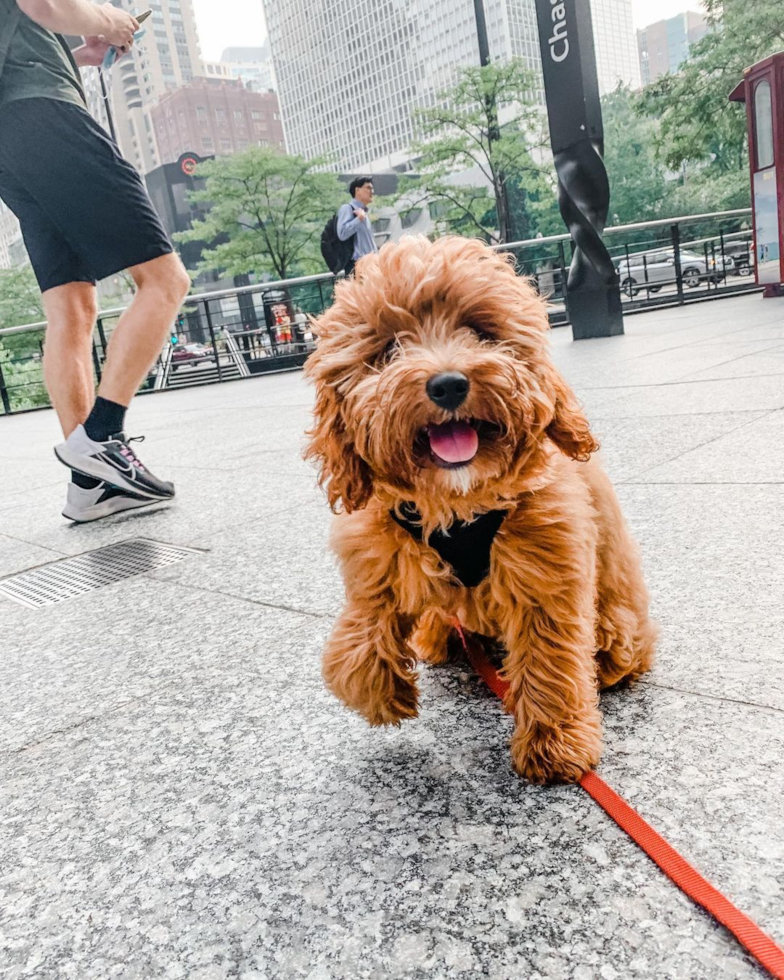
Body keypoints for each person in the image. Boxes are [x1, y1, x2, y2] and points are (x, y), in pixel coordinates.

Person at [0, 0, 191, 523]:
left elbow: (28, 25)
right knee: (165, 279)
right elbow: (44, 3)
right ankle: (103, 434)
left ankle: (91, 484)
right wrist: (110, 19)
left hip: (10, 133)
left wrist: (83, 51)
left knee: (72, 307)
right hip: (46, 113)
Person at [337, 177, 378, 276]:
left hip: (370, 265)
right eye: (368, 188)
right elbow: (342, 233)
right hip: (358, 266)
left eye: (372, 188)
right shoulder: (347, 208)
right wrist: (358, 219)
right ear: (357, 190)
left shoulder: (363, 212)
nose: (372, 191)